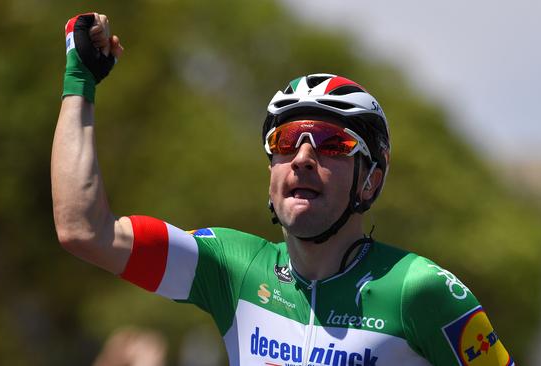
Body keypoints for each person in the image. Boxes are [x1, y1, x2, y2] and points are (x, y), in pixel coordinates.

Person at [52, 12, 514, 366]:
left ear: (371, 180)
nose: (304, 157)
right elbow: (84, 231)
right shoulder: (230, 268)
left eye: (334, 144)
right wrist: (79, 81)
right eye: (286, 141)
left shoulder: (419, 290)